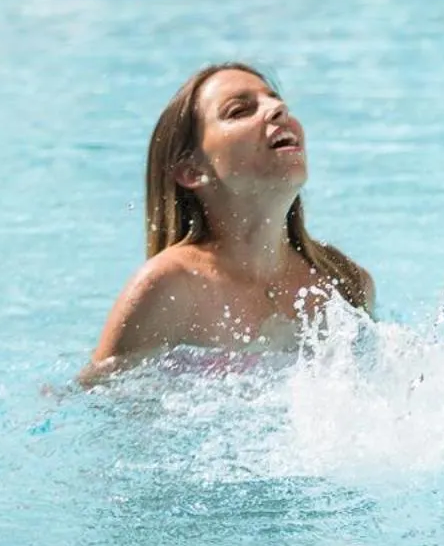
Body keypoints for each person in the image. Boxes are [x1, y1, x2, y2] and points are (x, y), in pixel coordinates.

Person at [84, 63, 374, 383]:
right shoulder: (167, 288)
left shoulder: (344, 283)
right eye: (239, 111)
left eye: (276, 100)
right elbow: (101, 409)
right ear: (192, 171)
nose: (278, 108)